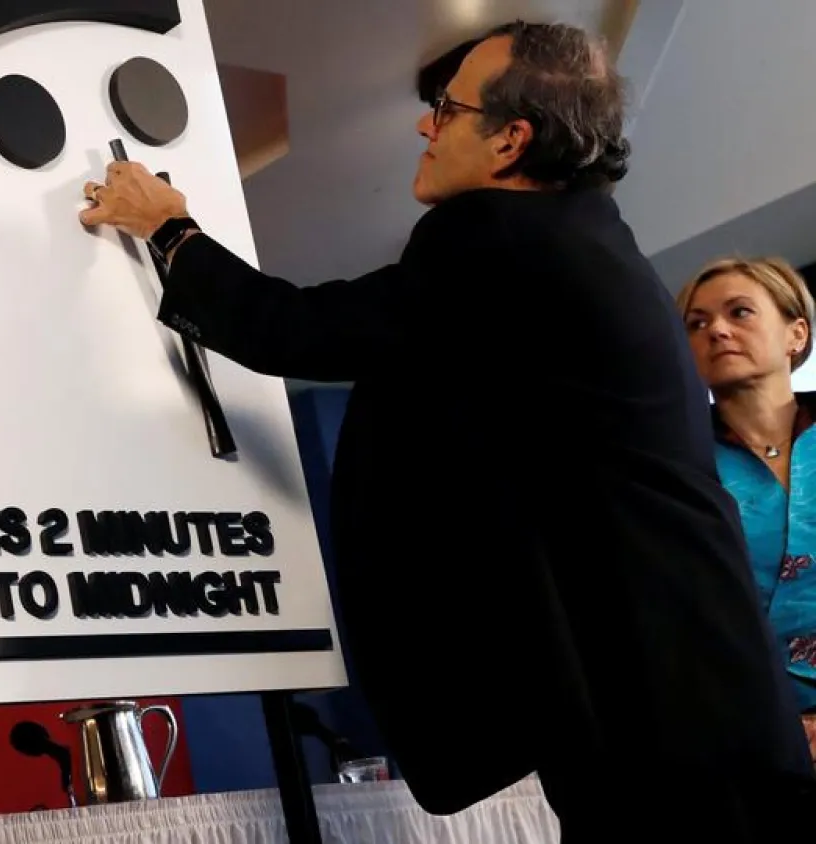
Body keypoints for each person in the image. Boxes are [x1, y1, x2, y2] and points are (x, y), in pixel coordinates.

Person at [80, 19, 816, 841]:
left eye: (448, 108)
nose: (425, 125)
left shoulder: (498, 236)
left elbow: (298, 332)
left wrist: (170, 228)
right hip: (694, 702)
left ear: (510, 140)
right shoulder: (583, 242)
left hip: (666, 720)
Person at [678, 255, 816, 760]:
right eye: (697, 324)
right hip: (739, 742)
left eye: (739, 312)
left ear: (796, 334)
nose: (717, 330)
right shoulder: (676, 468)